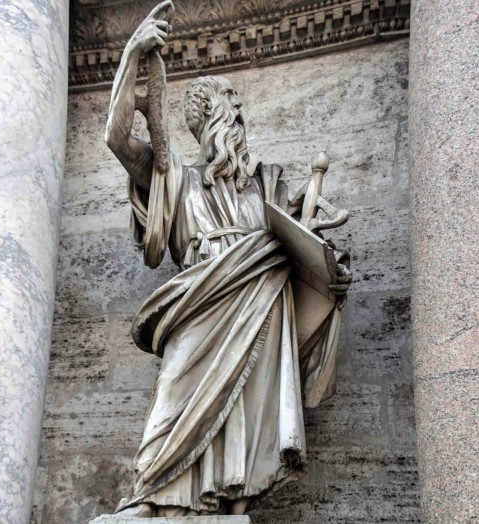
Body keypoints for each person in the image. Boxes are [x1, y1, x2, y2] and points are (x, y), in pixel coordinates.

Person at [105, 1, 351, 518]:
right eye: (228, 111)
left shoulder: (267, 183)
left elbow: (300, 238)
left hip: (259, 296)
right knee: (173, 397)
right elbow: (117, 139)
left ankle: (226, 503)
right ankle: (149, 495)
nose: (238, 122)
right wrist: (130, 59)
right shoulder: (176, 179)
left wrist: (326, 254)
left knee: (243, 411)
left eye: (240, 113)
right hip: (200, 298)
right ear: (205, 123)